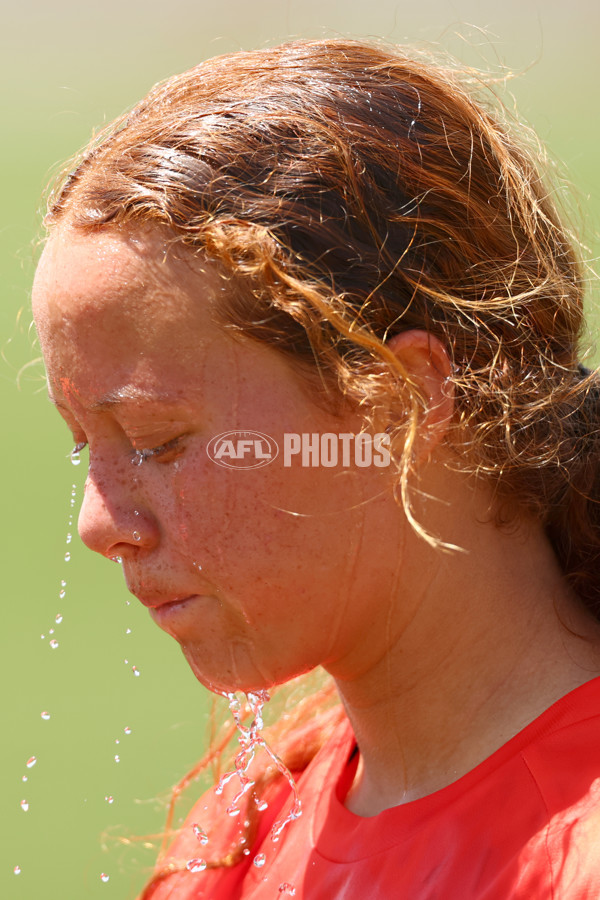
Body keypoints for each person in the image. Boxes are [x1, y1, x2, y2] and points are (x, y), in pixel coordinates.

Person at [31, 38, 600, 899]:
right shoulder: (248, 826)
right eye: (86, 444)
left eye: (159, 439)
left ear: (401, 406)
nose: (100, 524)